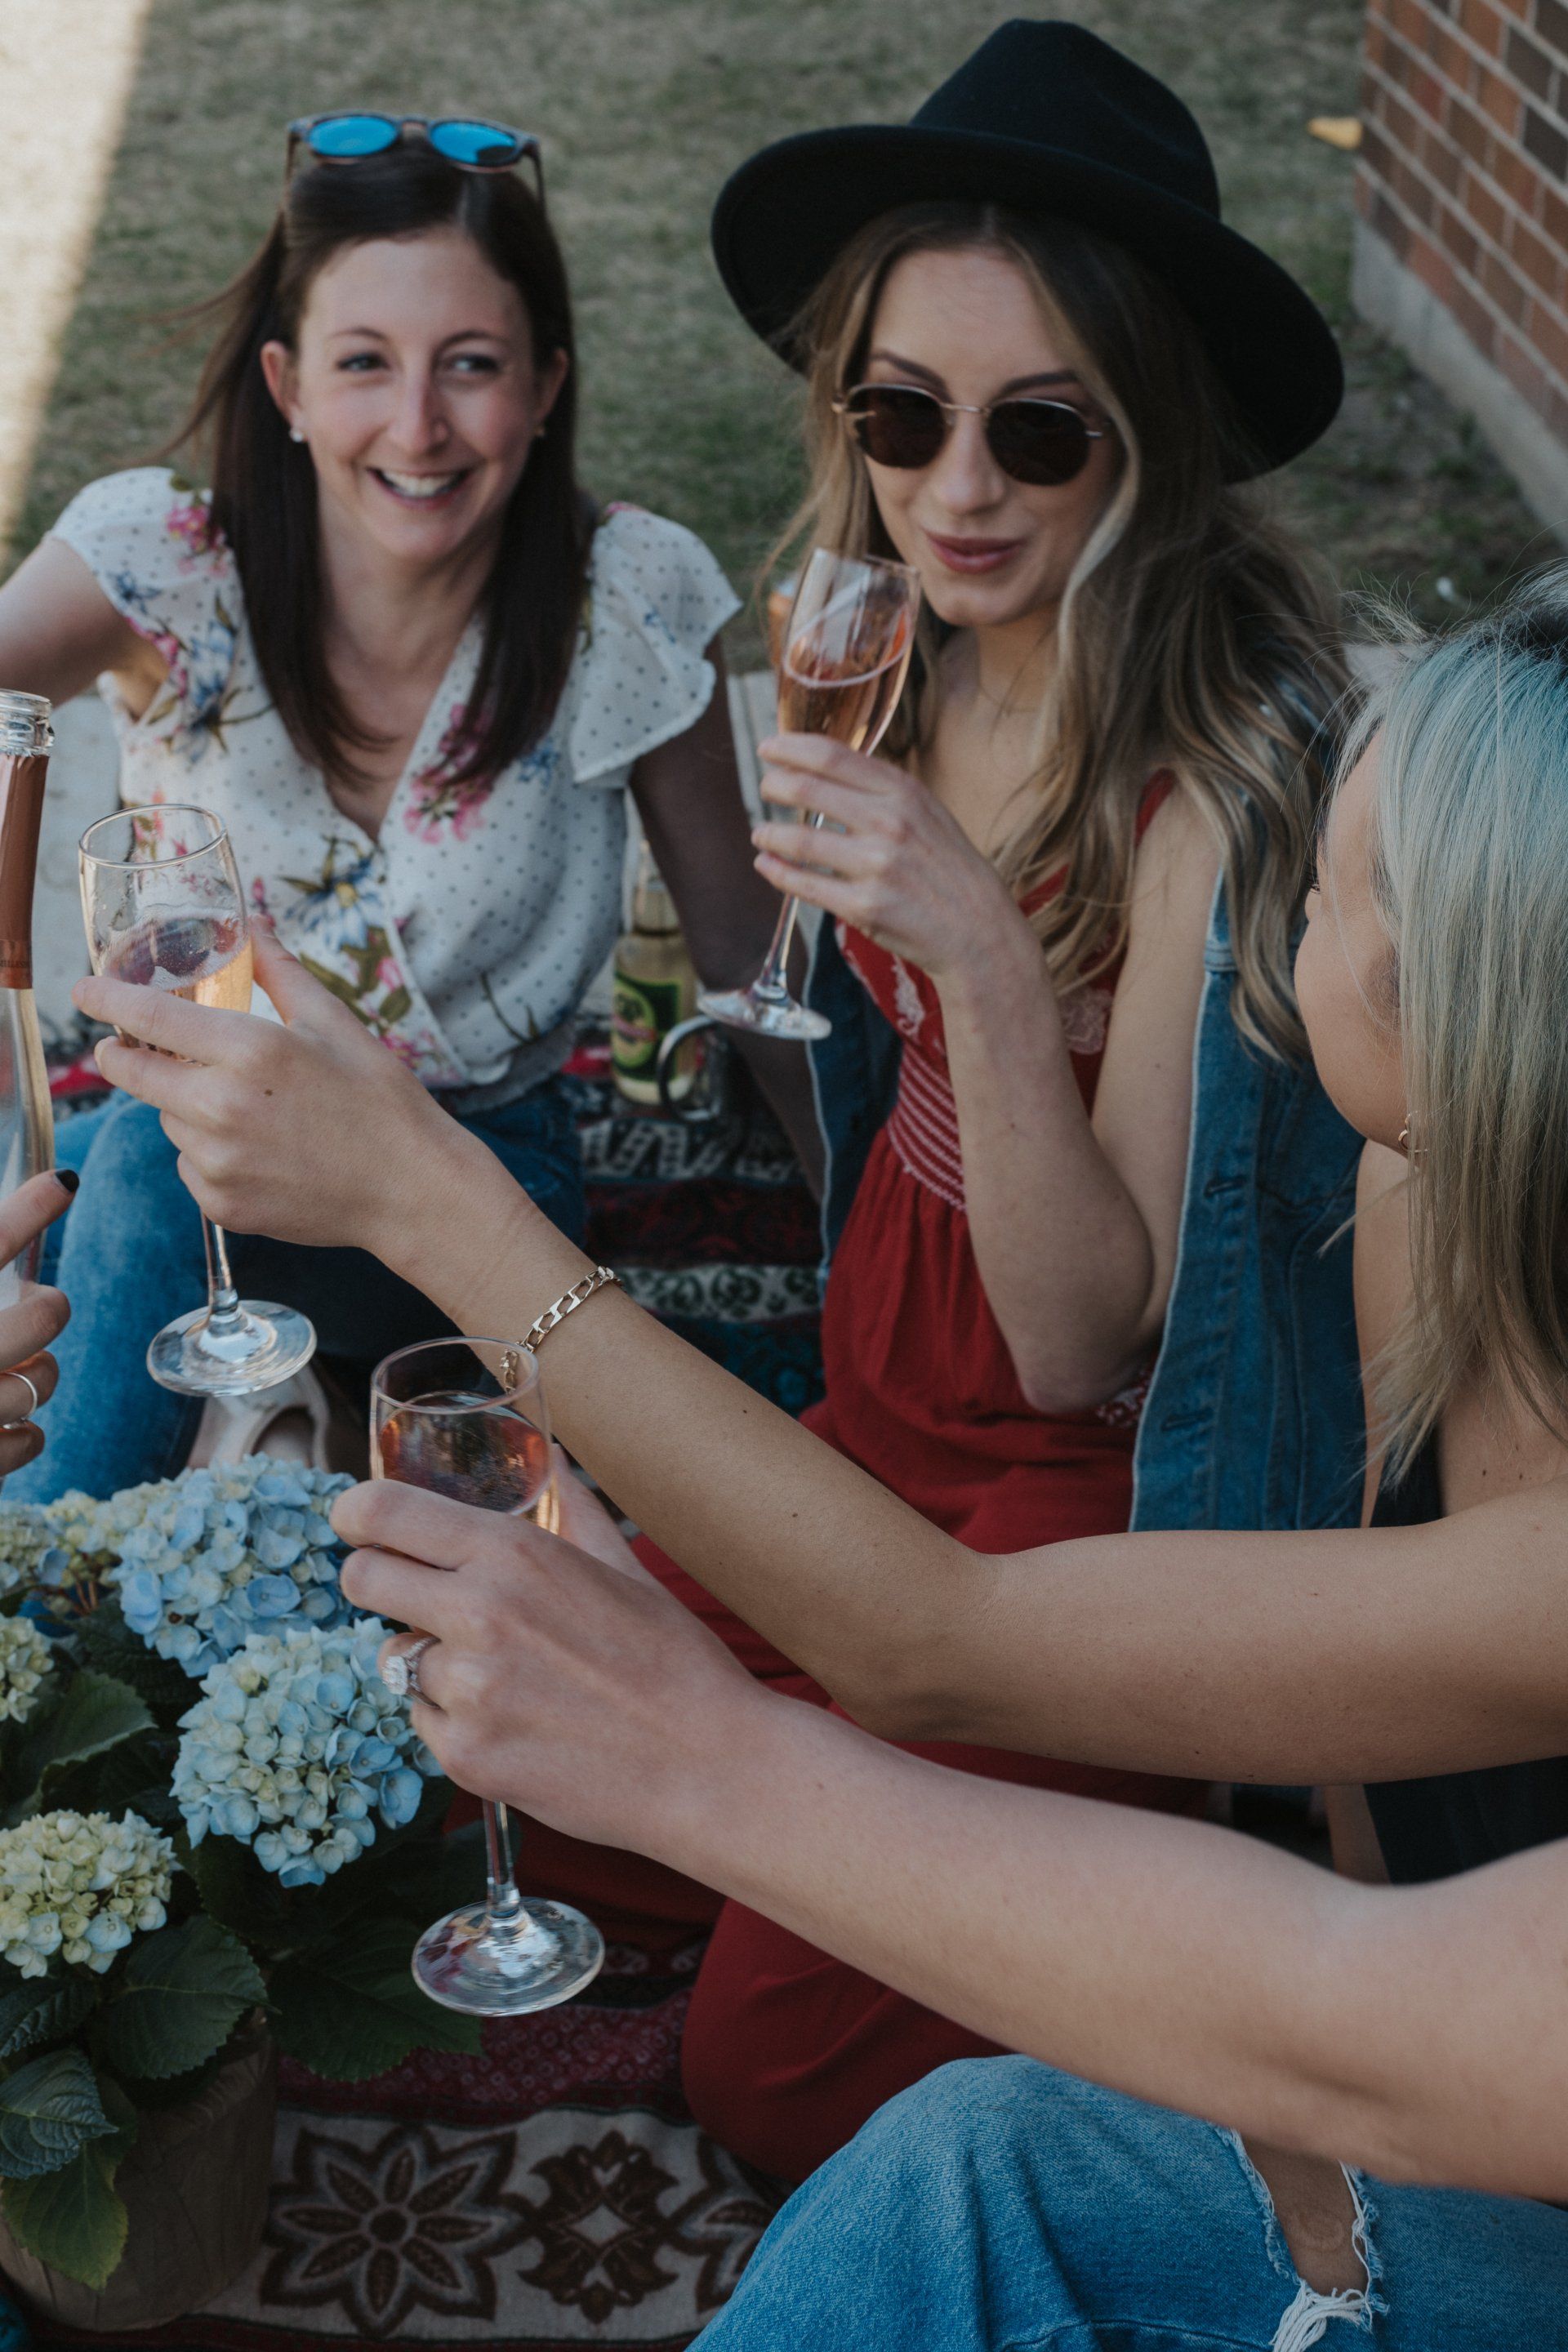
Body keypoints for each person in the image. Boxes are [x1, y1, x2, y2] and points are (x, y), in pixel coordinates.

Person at [87, 576, 1568, 2346]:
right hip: (1394, 1976)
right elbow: (1343, 1795)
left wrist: (424, 1199)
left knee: (953, 2155)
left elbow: (960, 1652)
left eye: (1320, 893)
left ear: (1457, 1015)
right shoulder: (1429, 1197)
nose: (1273, 935)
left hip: (1461, 2091)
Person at [414, 19, 1349, 2174]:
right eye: (904, 416)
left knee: (773, 2079)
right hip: (878, 1428)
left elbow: (1079, 1344)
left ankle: (1011, 1852)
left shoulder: (1213, 776)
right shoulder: (889, 641)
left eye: (1043, 434)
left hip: (1081, 1507)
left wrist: (994, 967)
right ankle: (872, 1830)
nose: (959, 493)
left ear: (1155, 444)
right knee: (507, 1746)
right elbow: (805, 1048)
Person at [0, 115, 808, 1503]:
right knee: (100, 1160)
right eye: (364, 363)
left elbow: (748, 957)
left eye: (473, 367)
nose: (419, 427)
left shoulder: (627, 598)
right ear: (288, 384)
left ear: (548, 384)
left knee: (129, 1153)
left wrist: (875, 1228)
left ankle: (37, 1580)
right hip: (204, 1165)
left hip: (476, 1190)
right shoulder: (167, 560)